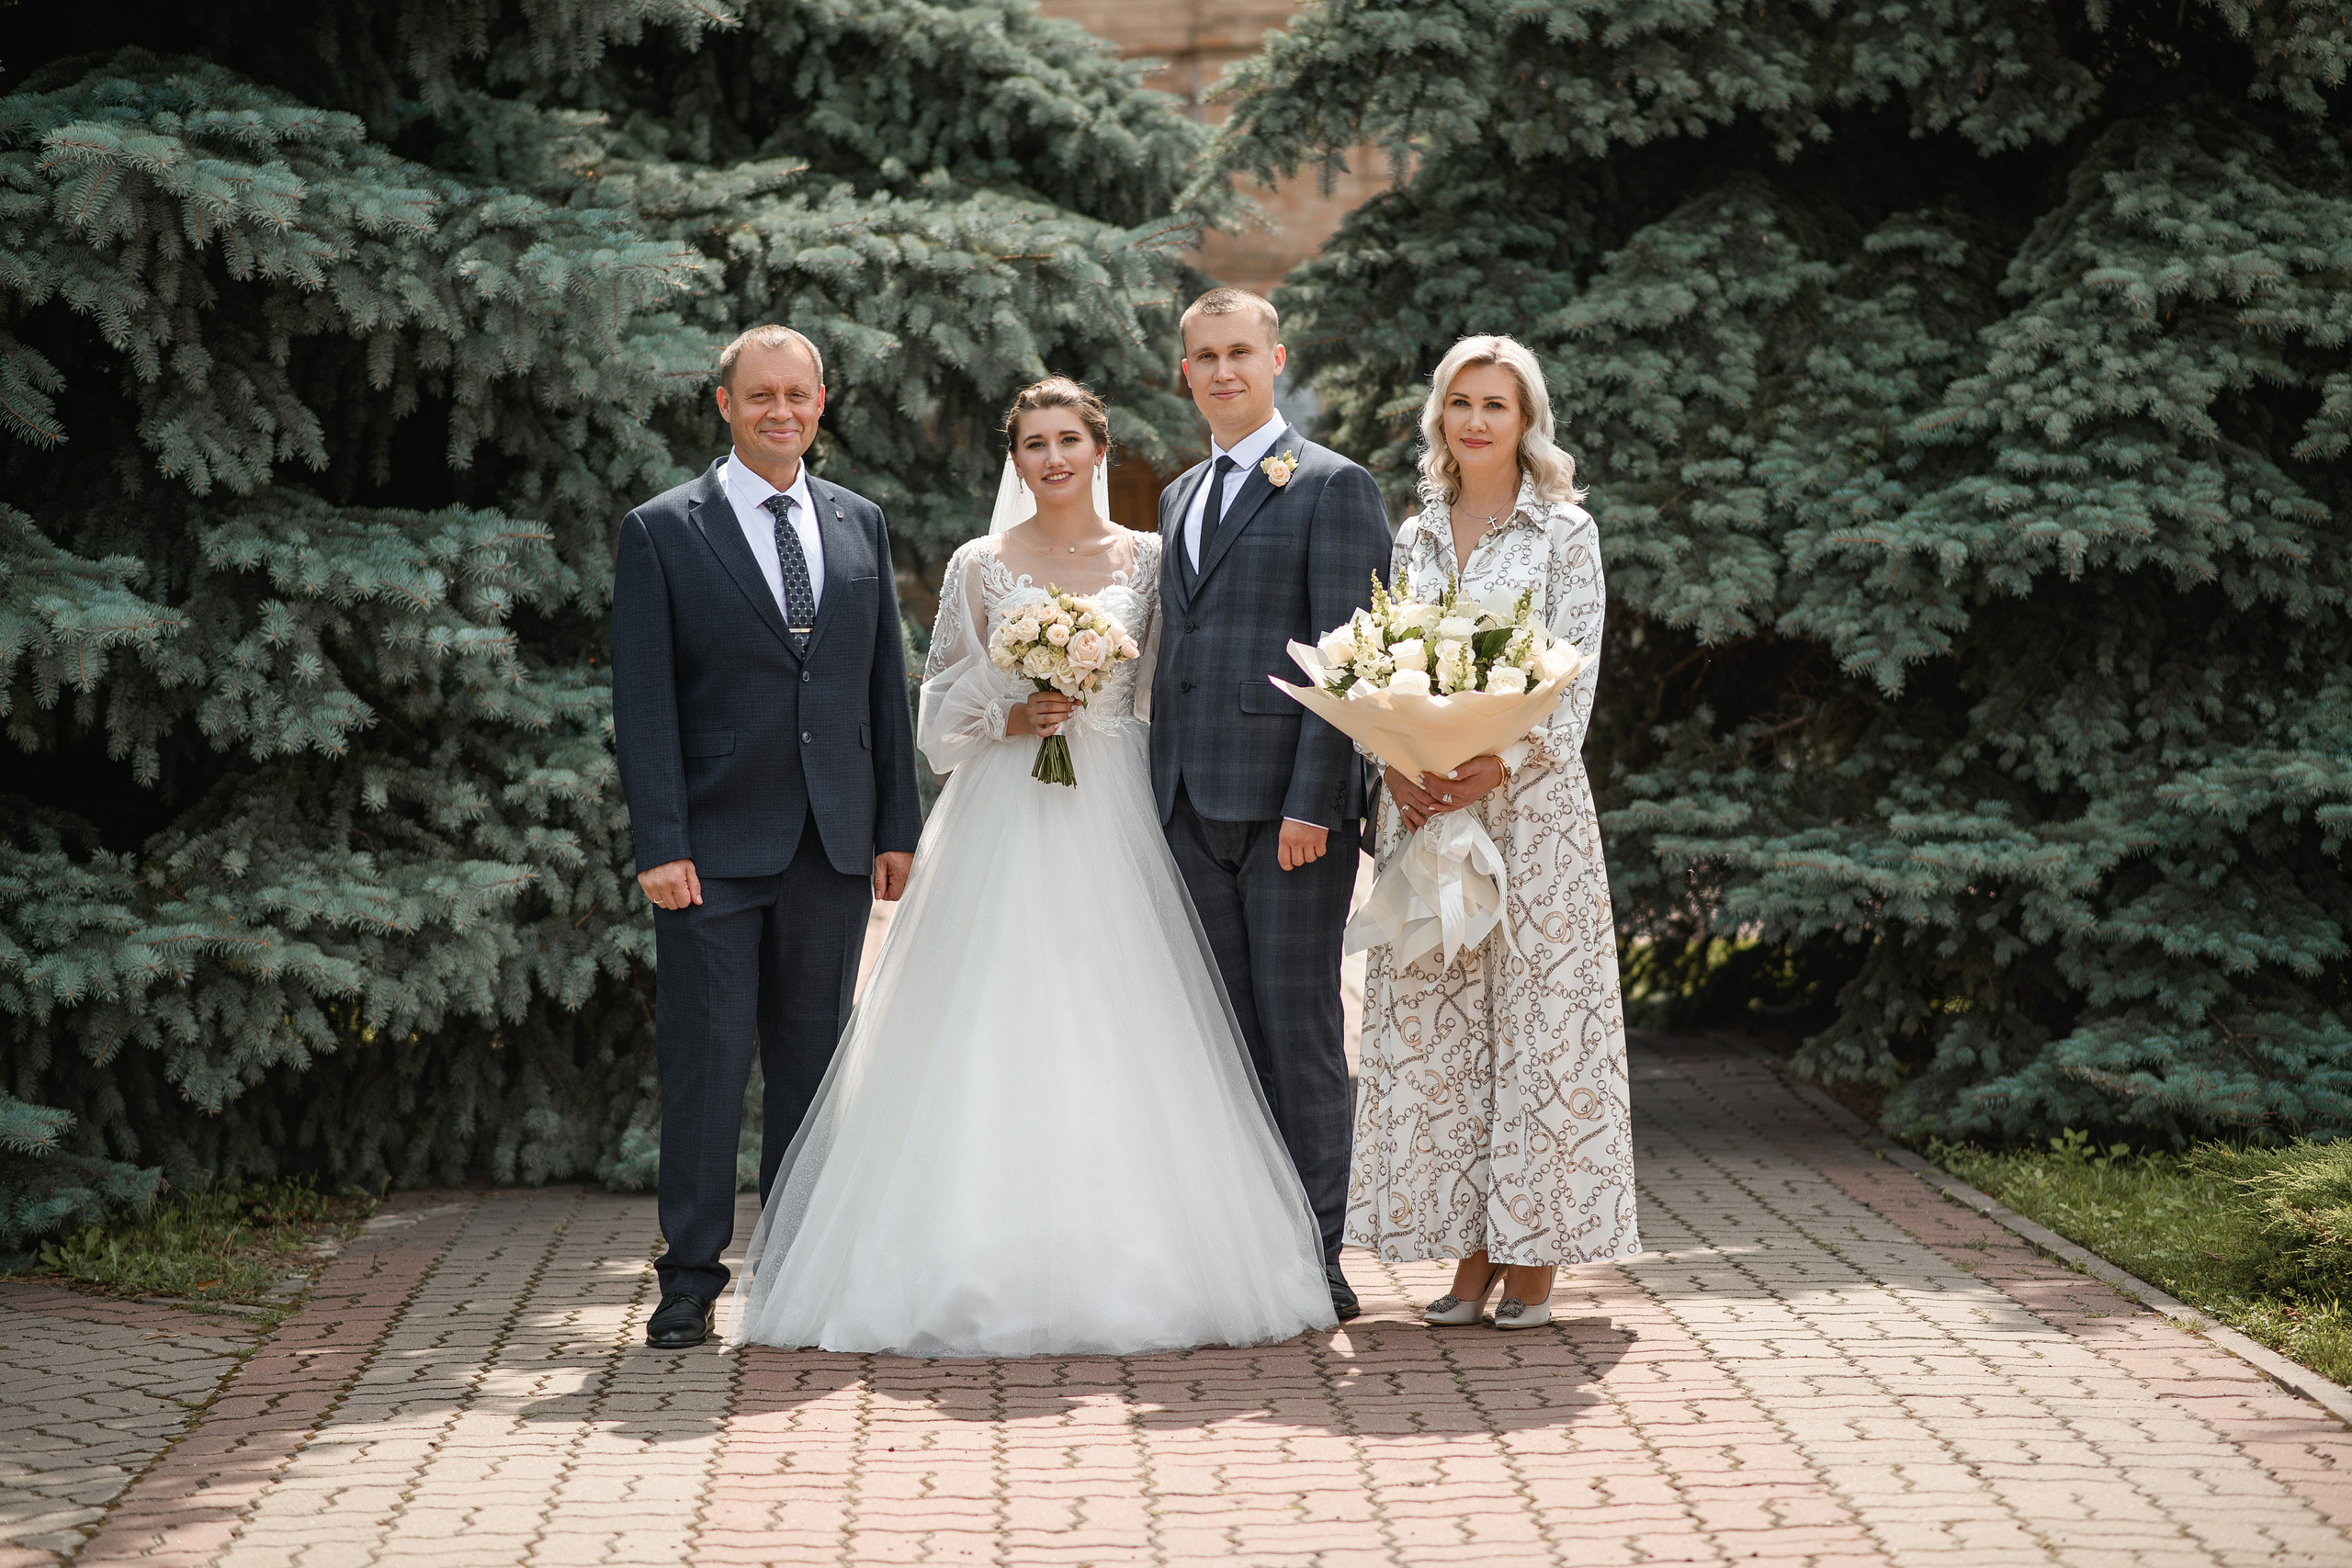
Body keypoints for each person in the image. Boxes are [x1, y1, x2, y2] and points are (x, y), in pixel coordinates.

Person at [727, 378, 1335, 1357]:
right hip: (1005, 811)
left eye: (1068, 441)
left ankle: (1148, 1255)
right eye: (1033, 445)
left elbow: (1171, 687)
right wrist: (1011, 716)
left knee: (1126, 1013)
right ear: (1016, 461)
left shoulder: (1148, 558)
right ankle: (965, 1253)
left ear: (1100, 450)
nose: (1052, 458)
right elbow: (936, 717)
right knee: (993, 1013)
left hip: (1119, 806)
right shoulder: (980, 564)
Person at [610, 324, 925, 1350]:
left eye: (797, 394)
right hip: (708, 848)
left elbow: (881, 683)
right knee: (705, 1069)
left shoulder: (858, 522)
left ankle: (795, 1274)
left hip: (831, 845)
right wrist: (661, 842)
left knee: (811, 1069)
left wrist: (895, 824)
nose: (779, 411)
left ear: (820, 403)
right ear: (725, 404)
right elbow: (643, 702)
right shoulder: (663, 530)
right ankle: (689, 1281)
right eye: (760, 396)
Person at [1347, 334, 1639, 1329]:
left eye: (1495, 406)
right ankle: (1470, 1251)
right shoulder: (1415, 535)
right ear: (1441, 415)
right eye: (1461, 402)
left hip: (1532, 812)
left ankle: (1535, 1251)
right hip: (1428, 806)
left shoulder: (1565, 532)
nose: (1475, 420)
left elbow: (1576, 674)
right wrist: (1392, 761)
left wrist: (1499, 762)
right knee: (1447, 1034)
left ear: (1526, 422)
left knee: (1538, 1027)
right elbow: (1383, 665)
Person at [1151, 288, 1395, 1321]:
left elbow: (1347, 662)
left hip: (1290, 816)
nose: (1222, 371)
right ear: (1186, 373)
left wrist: (1315, 805)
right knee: (1225, 1038)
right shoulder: (1177, 495)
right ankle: (1248, 1257)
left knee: (1299, 1036)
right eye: (1204, 357)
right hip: (1185, 805)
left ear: (1276, 360)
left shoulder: (1333, 486)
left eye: (1239, 353)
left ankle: (1320, 1257)